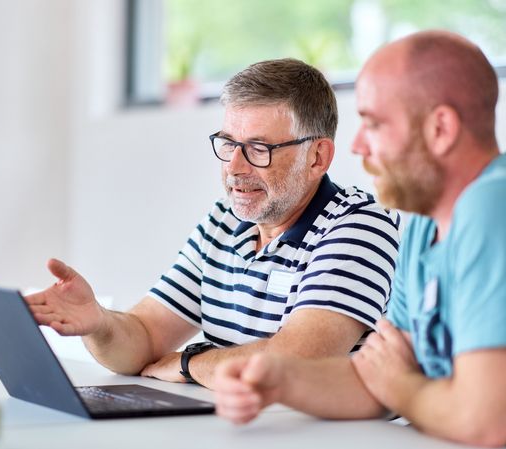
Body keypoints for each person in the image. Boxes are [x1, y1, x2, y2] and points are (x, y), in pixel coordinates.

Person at [26, 59, 400, 389]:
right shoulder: (224, 221)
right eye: (228, 144)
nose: (235, 168)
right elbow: (142, 339)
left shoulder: (360, 228)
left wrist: (191, 363)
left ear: (317, 157)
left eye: (258, 149)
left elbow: (297, 361)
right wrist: (99, 323)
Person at [213, 31, 506, 447]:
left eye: (374, 123)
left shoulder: (493, 207)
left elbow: (485, 420)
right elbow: (376, 378)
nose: (356, 145)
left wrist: (402, 388)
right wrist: (279, 378)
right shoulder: (426, 223)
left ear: (440, 128)